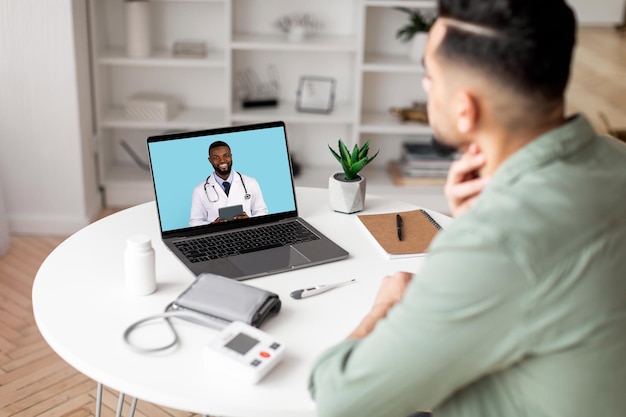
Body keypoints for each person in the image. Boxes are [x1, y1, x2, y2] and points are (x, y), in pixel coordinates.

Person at [308, 1, 626, 416]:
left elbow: (340, 400)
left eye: (430, 76)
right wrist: (474, 222)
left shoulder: (501, 240)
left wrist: (386, 305)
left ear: (465, 109)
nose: (424, 87)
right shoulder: (616, 156)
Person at [189, 140, 268, 226]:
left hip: (246, 231)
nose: (222, 160)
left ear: (231, 156)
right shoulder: (199, 190)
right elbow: (194, 222)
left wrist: (249, 220)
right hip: (217, 235)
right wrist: (212, 225)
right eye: (216, 157)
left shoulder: (250, 182)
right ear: (210, 160)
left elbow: (262, 211)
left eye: (226, 156)